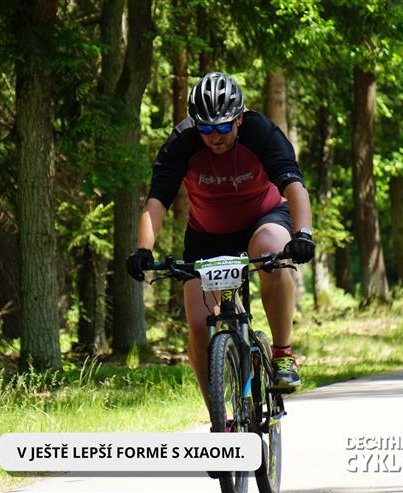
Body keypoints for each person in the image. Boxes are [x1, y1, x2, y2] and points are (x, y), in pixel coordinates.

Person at [126, 72, 315, 406]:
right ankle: (219, 418)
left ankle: (283, 354)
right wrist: (143, 249)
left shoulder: (260, 132)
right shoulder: (182, 141)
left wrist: (303, 234)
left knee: (271, 250)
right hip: (208, 234)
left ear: (239, 119)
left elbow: (294, 186)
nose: (214, 136)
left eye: (224, 127)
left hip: (263, 218)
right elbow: (157, 200)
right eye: (206, 129)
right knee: (200, 325)